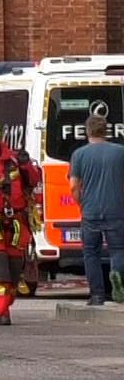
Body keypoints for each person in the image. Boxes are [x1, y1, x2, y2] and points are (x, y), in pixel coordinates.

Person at [0, 119, 41, 325]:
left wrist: (26, 165)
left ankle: (7, 303)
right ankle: (0, 312)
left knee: (15, 271)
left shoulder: (14, 160)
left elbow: (34, 181)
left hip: (18, 222)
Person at [69, 112, 124, 306]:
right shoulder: (120, 152)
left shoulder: (79, 155)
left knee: (91, 252)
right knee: (118, 249)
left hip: (91, 211)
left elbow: (73, 186)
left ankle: (97, 295)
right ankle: (118, 282)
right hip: (116, 210)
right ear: (106, 131)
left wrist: (82, 203)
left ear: (87, 131)